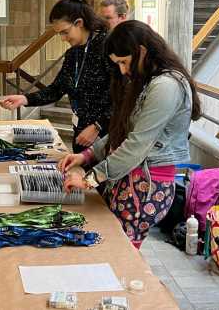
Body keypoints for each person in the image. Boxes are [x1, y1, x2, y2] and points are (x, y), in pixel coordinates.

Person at [59, 20, 201, 249]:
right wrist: (87, 156)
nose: (123, 70)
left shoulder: (166, 86)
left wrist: (89, 178)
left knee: (119, 253)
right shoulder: (151, 81)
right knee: (115, 247)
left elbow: (136, 144)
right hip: (132, 178)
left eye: (124, 62)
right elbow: (123, 131)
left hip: (146, 185)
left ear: (142, 51)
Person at [0, 0, 112, 153]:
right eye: (59, 34)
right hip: (80, 131)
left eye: (65, 32)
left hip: (105, 134)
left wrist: (97, 126)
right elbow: (56, 89)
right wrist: (24, 99)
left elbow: (123, 95)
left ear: (79, 23)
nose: (63, 39)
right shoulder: (73, 53)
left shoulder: (108, 46)